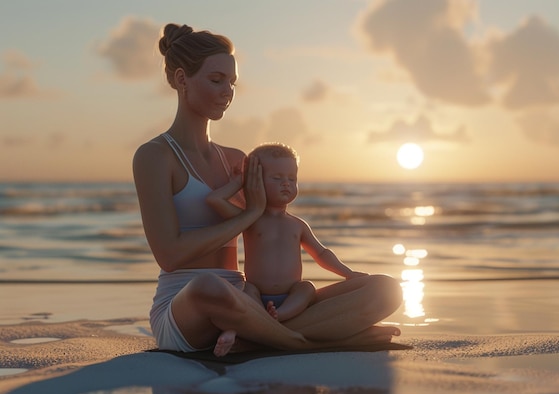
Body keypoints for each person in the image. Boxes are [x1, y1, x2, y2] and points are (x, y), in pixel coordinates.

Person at [132, 23, 403, 357]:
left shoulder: (236, 160)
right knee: (209, 288)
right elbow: (169, 255)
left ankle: (252, 340)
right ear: (181, 79)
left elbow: (269, 223)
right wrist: (249, 214)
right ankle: (317, 340)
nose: (227, 92)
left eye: (231, 83)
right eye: (216, 80)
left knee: (384, 289)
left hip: (253, 299)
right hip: (188, 305)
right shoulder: (155, 156)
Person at [208, 142, 368, 321]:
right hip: (257, 294)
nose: (286, 183)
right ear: (256, 181)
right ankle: (258, 319)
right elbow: (215, 200)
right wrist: (241, 181)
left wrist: (348, 273)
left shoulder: (297, 225)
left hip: (291, 297)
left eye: (292, 179)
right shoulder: (250, 220)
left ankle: (278, 316)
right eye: (276, 178)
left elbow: (321, 253)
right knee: (246, 288)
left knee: (306, 287)